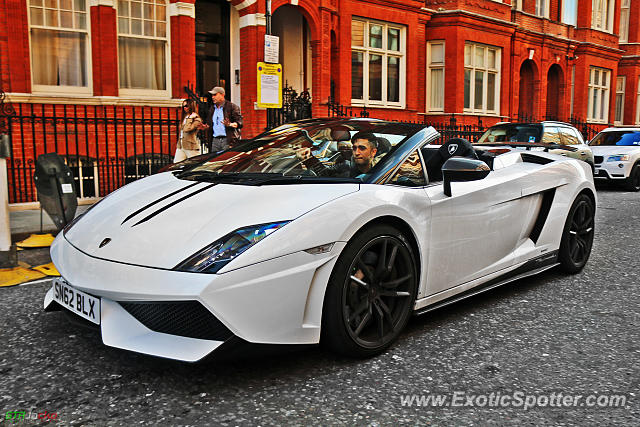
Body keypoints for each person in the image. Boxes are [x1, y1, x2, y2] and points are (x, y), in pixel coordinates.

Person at [201, 86, 243, 151]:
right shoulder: (212, 108)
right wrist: (206, 127)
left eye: (215, 95)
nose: (213, 97)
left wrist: (229, 124)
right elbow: (210, 124)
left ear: (222, 95)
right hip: (215, 140)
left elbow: (240, 123)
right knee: (215, 160)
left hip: (228, 140)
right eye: (212, 95)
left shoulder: (232, 107)